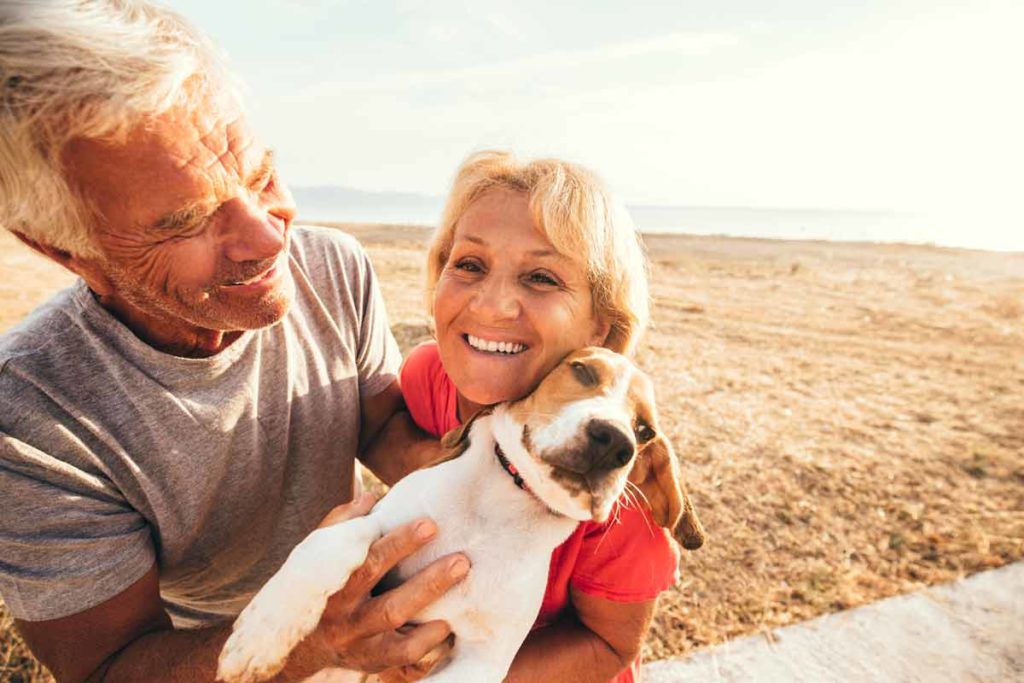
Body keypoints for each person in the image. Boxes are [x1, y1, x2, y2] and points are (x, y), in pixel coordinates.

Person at [0, 2, 466, 681]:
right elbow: (111, 667)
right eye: (186, 220)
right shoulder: (31, 419)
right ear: (64, 248)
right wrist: (315, 634)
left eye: (257, 175)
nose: (271, 239)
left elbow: (380, 421)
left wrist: (484, 450)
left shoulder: (334, 265)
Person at [400, 151, 679, 682]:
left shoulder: (616, 466)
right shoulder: (426, 378)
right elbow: (391, 432)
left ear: (601, 324)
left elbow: (608, 644)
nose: (493, 305)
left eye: (542, 278)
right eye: (469, 265)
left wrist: (450, 671)